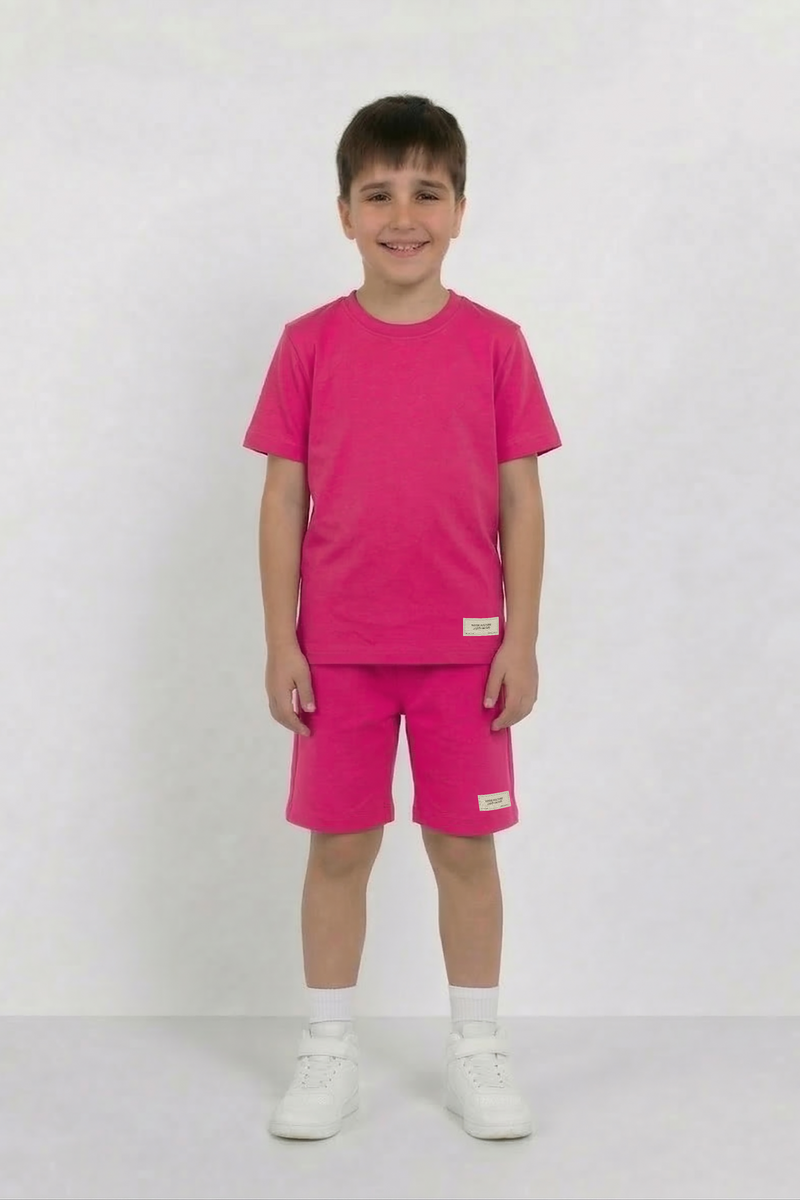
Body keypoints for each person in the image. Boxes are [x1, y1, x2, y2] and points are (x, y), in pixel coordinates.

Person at [243, 93, 562, 1141]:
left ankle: (477, 1049)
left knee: (464, 850)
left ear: (460, 209)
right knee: (339, 848)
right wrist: (281, 639)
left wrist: (518, 638)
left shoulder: (496, 345)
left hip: (464, 657)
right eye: (377, 195)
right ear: (344, 213)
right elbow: (282, 497)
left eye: (427, 192)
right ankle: (327, 1052)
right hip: (338, 652)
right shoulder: (308, 344)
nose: (403, 215)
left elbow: (521, 498)